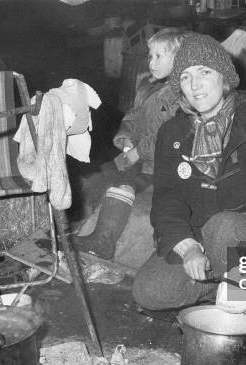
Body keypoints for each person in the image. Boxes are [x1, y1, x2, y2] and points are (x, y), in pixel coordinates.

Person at [132, 34, 246, 313]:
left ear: (224, 76)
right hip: (202, 235)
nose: (195, 85)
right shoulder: (172, 132)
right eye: (184, 77)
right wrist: (188, 248)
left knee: (225, 228)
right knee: (150, 291)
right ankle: (225, 288)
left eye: (204, 72)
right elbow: (167, 198)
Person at [73, 28, 191, 260]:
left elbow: (169, 136)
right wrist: (125, 137)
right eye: (150, 56)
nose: (151, 62)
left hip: (165, 163)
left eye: (159, 56)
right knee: (100, 176)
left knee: (124, 182)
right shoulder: (148, 86)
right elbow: (133, 116)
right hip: (138, 154)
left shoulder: (183, 96)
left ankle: (104, 240)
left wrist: (139, 152)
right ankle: (83, 225)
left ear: (180, 61)